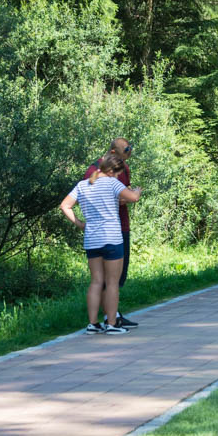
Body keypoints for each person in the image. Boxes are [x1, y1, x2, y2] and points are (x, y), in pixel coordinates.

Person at [60, 155, 143, 334]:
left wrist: (81, 224)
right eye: (118, 174)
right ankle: (112, 324)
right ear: (113, 171)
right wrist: (138, 190)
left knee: (96, 282)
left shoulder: (83, 185)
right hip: (112, 238)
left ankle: (92, 324)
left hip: (92, 239)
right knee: (112, 283)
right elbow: (133, 198)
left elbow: (65, 206)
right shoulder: (113, 184)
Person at [84, 138, 139, 328]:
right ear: (114, 152)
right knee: (104, 280)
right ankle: (110, 319)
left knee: (119, 276)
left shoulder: (124, 167)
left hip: (121, 226)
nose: (129, 152)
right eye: (126, 149)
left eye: (130, 148)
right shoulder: (92, 171)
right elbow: (90, 197)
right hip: (102, 231)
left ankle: (111, 316)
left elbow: (127, 190)